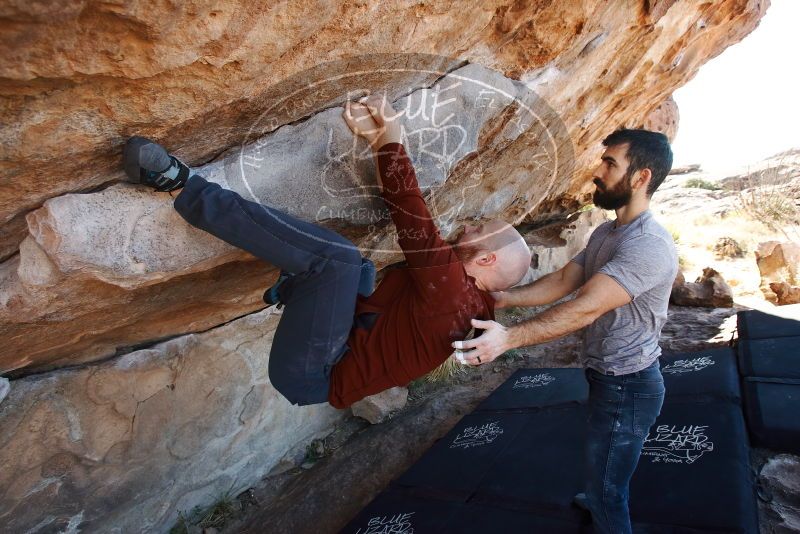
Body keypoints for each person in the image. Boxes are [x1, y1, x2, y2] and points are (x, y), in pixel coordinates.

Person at [122, 95, 531, 409]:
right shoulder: (474, 303)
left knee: (338, 260)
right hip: (347, 335)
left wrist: (389, 137)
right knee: (359, 266)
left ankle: (180, 186)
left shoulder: (453, 296)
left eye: (479, 230)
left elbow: (412, 217)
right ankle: (298, 285)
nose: (467, 226)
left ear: (487, 259)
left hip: (314, 374)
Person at [453, 129, 677, 534]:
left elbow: (584, 307)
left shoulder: (649, 246)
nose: (598, 170)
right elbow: (562, 282)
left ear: (642, 177)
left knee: (612, 491)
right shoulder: (606, 234)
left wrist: (508, 338)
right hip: (606, 375)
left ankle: (603, 505)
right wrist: (503, 298)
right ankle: (596, 493)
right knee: (602, 462)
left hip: (629, 384)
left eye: (611, 164)